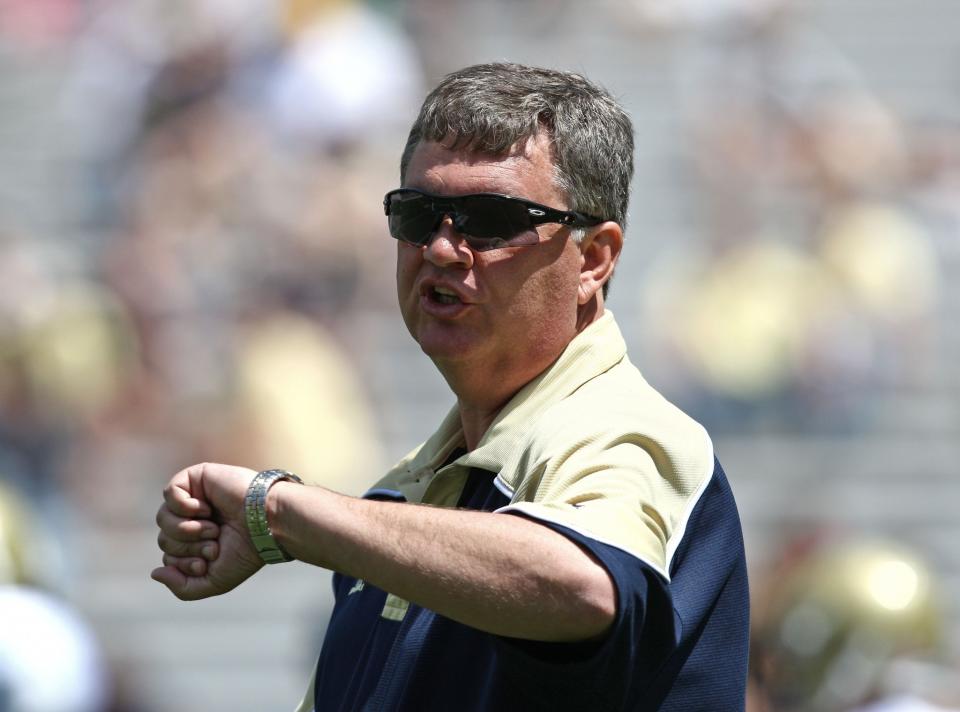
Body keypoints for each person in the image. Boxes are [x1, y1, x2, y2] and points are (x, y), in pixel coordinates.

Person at [151, 62, 749, 712]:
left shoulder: (627, 431)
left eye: (489, 218)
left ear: (595, 258)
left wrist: (284, 515)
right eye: (419, 213)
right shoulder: (398, 495)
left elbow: (582, 586)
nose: (440, 248)